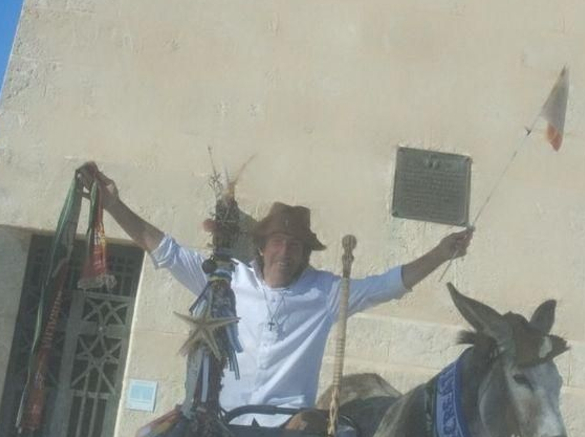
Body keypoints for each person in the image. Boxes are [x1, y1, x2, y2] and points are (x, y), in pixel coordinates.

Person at [81, 162, 472, 419]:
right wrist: (113, 206)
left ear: (305, 254)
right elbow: (163, 248)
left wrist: (440, 253)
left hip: (286, 432)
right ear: (262, 246)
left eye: (296, 245)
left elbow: (389, 285)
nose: (286, 252)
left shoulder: (325, 294)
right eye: (279, 242)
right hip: (220, 420)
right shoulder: (224, 280)